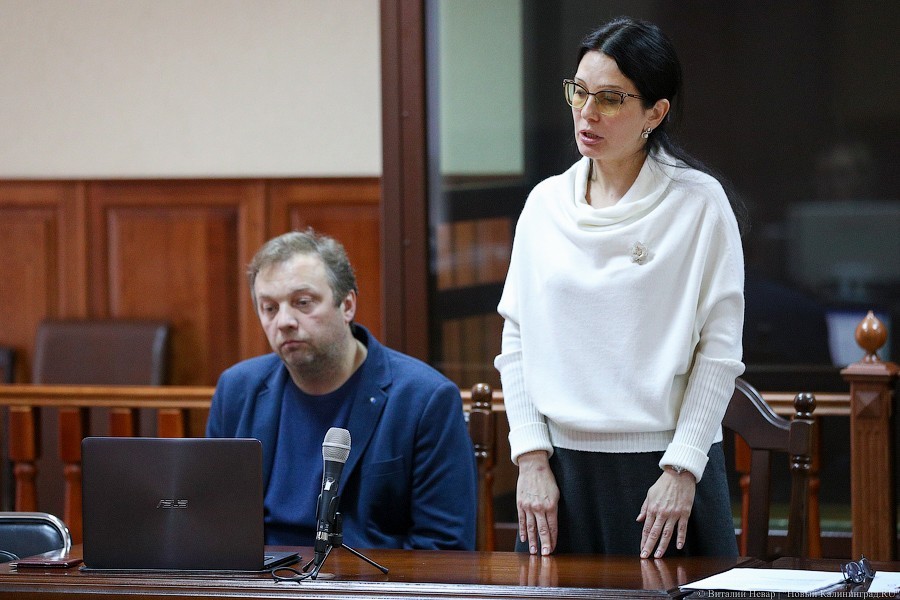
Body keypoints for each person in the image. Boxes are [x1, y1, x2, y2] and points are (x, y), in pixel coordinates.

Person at [494, 17, 747, 559]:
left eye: (610, 99)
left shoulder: (698, 204)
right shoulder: (544, 205)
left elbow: (720, 352)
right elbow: (516, 337)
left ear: (655, 113)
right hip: (558, 475)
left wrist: (683, 469)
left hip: (666, 473)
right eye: (579, 92)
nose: (587, 112)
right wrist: (530, 458)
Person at [207, 228, 477, 550]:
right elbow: (213, 523)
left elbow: (444, 547)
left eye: (302, 302)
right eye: (269, 308)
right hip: (262, 577)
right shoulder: (237, 390)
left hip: (368, 578)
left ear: (347, 305)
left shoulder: (425, 399)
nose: (284, 321)